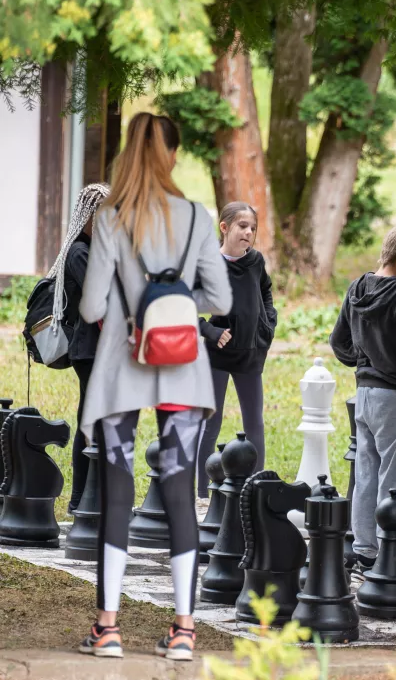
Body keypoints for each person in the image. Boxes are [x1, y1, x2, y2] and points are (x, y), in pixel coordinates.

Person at [78, 113, 232, 661]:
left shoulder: (112, 219)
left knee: (116, 495)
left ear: (128, 153)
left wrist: (128, 304)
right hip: (183, 368)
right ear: (173, 156)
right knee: (178, 493)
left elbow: (93, 306)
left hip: (124, 367)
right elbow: (223, 299)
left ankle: (108, 629)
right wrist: (179, 298)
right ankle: (184, 632)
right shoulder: (196, 217)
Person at [329, 222, 396, 575]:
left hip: (363, 395)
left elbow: (337, 341)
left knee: (366, 474)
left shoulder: (358, 287)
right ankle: (391, 558)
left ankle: (365, 552)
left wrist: (361, 362)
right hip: (394, 399)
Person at [194, 201, 277, 503]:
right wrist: (211, 331)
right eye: (243, 226)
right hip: (216, 356)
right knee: (210, 422)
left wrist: (268, 323)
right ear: (225, 227)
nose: (249, 232)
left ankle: (258, 488)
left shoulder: (255, 261)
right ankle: (203, 494)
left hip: (251, 355)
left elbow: (265, 290)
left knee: (254, 421)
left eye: (253, 228)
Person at [42, 183, 110, 513]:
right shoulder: (80, 253)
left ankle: (88, 499)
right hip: (90, 351)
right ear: (89, 216)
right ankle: (80, 501)